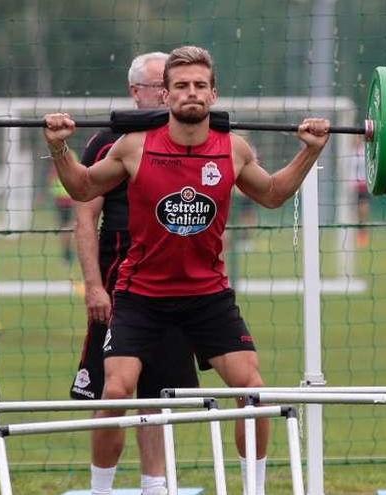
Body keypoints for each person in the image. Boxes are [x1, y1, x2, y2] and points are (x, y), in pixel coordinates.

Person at [43, 45, 331, 495]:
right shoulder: (134, 147)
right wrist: (59, 146)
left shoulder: (233, 149)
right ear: (167, 94)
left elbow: (273, 194)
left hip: (207, 297)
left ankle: (253, 490)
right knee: (116, 394)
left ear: (213, 94)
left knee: (253, 391)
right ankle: (101, 491)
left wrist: (309, 152)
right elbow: (81, 187)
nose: (190, 93)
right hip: (140, 296)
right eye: (181, 86)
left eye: (200, 85)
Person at [70, 52, 200, 495]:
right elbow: (85, 217)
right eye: (158, 87)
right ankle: (101, 488)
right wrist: (92, 285)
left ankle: (155, 486)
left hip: (172, 282)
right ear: (135, 92)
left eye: (173, 86)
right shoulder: (108, 143)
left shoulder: (189, 138)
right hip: (117, 283)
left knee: (160, 391)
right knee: (114, 392)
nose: (168, 96)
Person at [49, 163, 75, 264]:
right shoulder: (70, 155)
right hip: (65, 199)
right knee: (67, 227)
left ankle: (67, 254)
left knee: (66, 227)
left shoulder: (58, 156)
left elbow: (52, 178)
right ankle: (67, 253)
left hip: (66, 199)